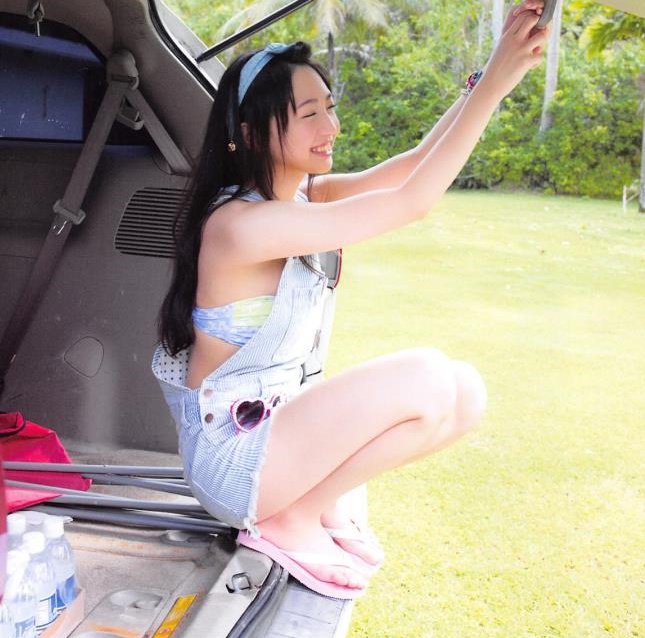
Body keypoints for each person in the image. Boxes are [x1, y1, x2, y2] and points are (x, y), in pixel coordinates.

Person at [153, 1, 548, 599]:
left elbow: (412, 167)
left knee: (466, 392)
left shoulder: (302, 200)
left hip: (280, 433)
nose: (330, 128)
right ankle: (287, 516)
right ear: (250, 133)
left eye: (329, 108)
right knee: (428, 377)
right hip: (238, 459)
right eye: (309, 114)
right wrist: (494, 83)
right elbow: (412, 202)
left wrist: (489, 75)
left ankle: (310, 503)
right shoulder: (240, 225)